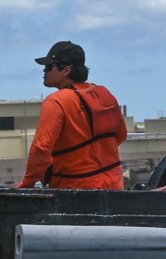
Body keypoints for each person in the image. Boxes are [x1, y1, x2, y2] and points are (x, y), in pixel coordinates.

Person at [21, 40, 127, 189]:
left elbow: (41, 149)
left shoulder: (56, 102)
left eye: (49, 66)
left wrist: (27, 184)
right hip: (114, 187)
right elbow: (121, 135)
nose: (44, 71)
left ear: (66, 70)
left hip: (76, 192)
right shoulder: (105, 95)